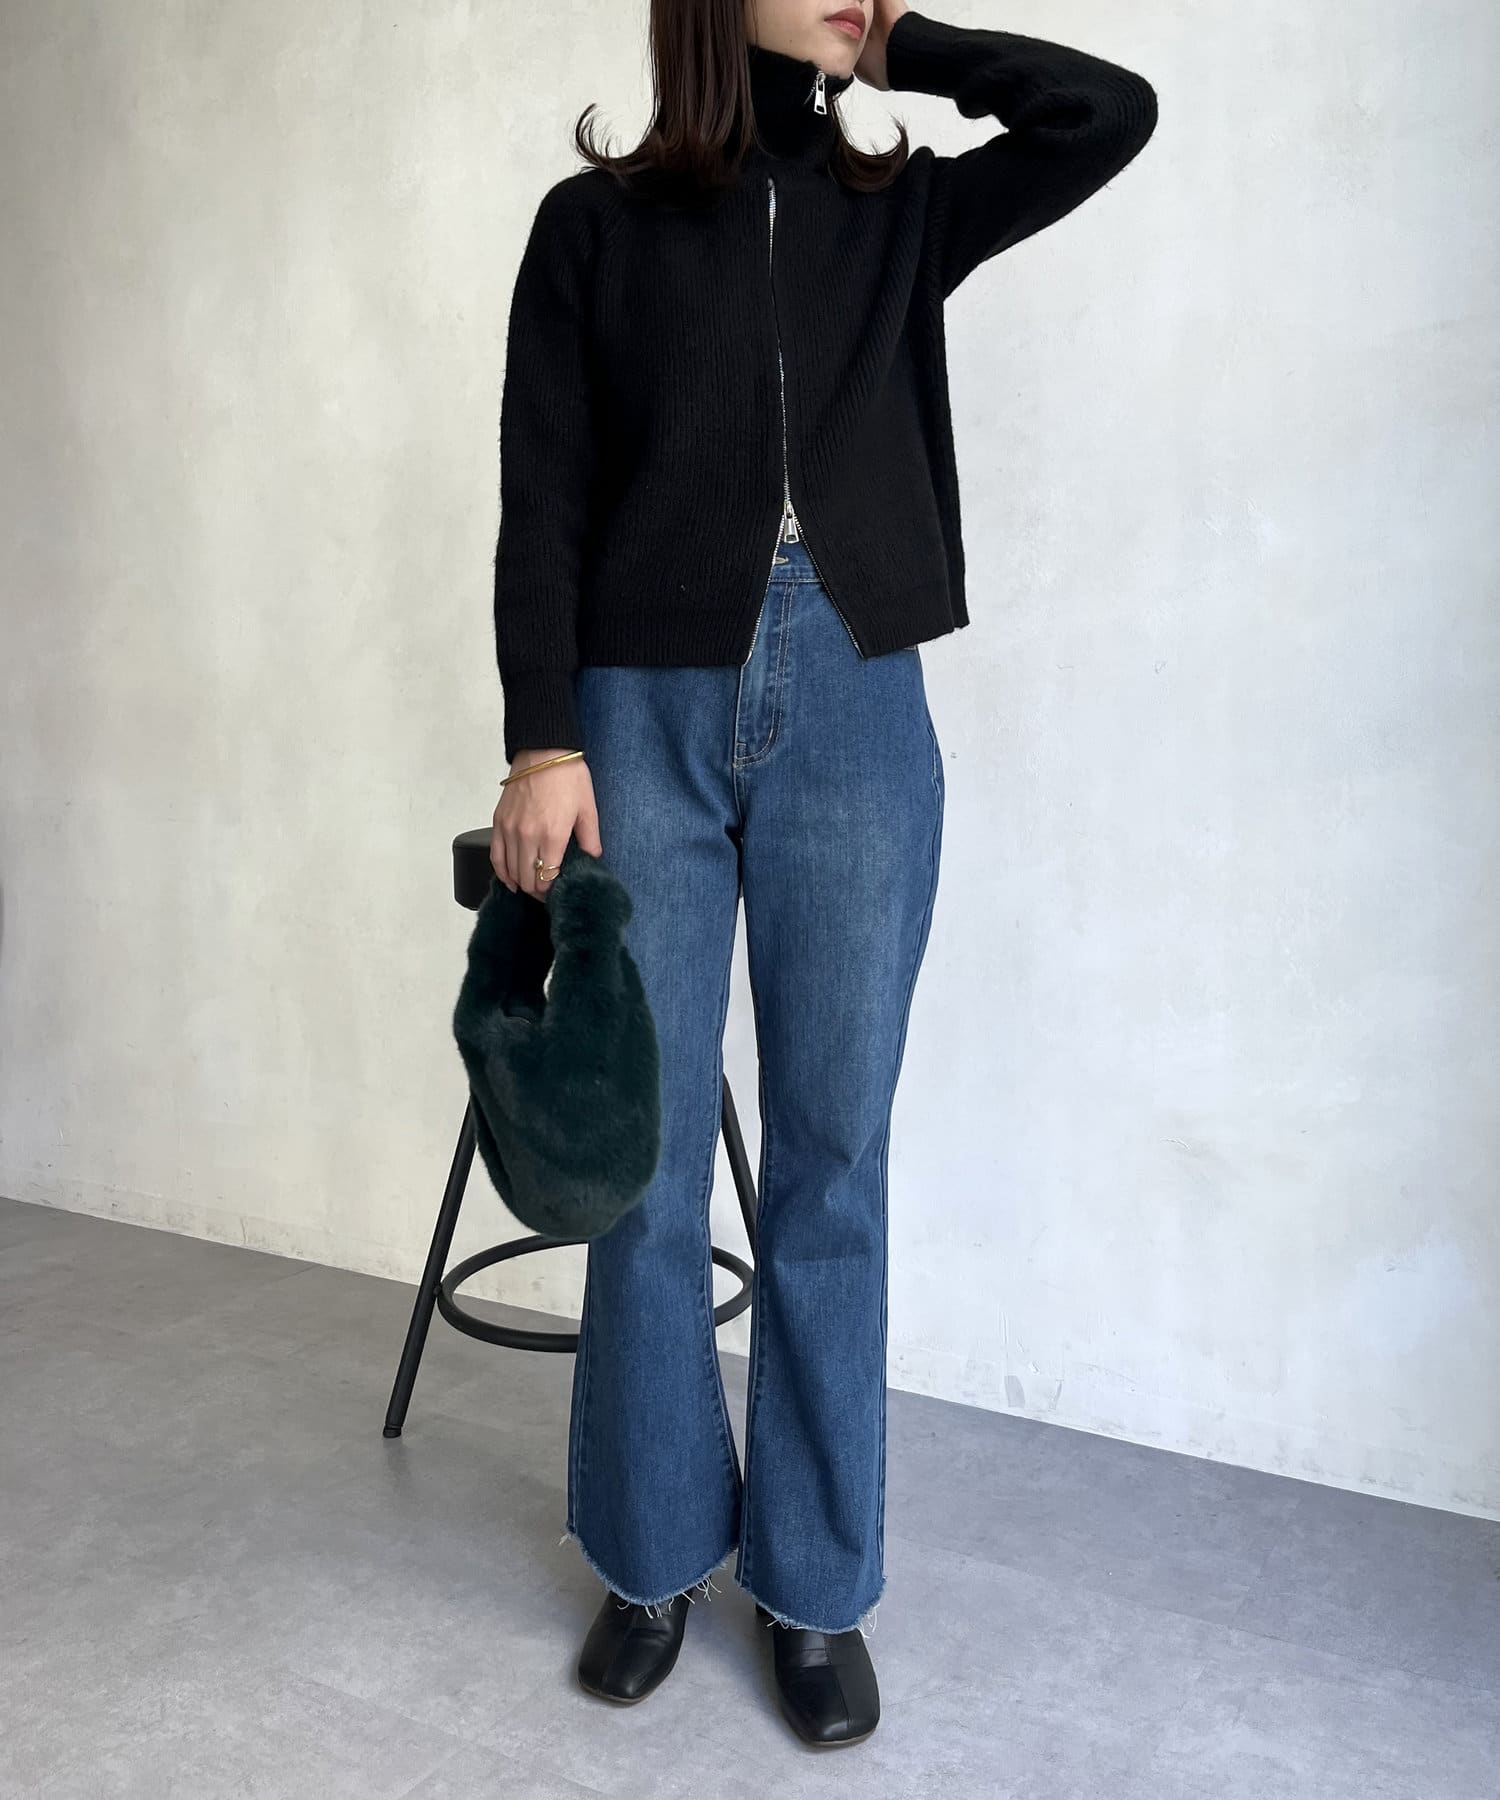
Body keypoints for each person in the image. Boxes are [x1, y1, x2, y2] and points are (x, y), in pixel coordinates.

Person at [488, 0, 1156, 1749]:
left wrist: (899, 46)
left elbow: (1108, 112)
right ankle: (651, 1556)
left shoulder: (899, 210)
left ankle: (812, 1584)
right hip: (638, 710)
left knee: (834, 1164)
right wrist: (543, 739)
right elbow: (542, 490)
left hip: (857, 699)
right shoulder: (594, 227)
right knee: (643, 1173)